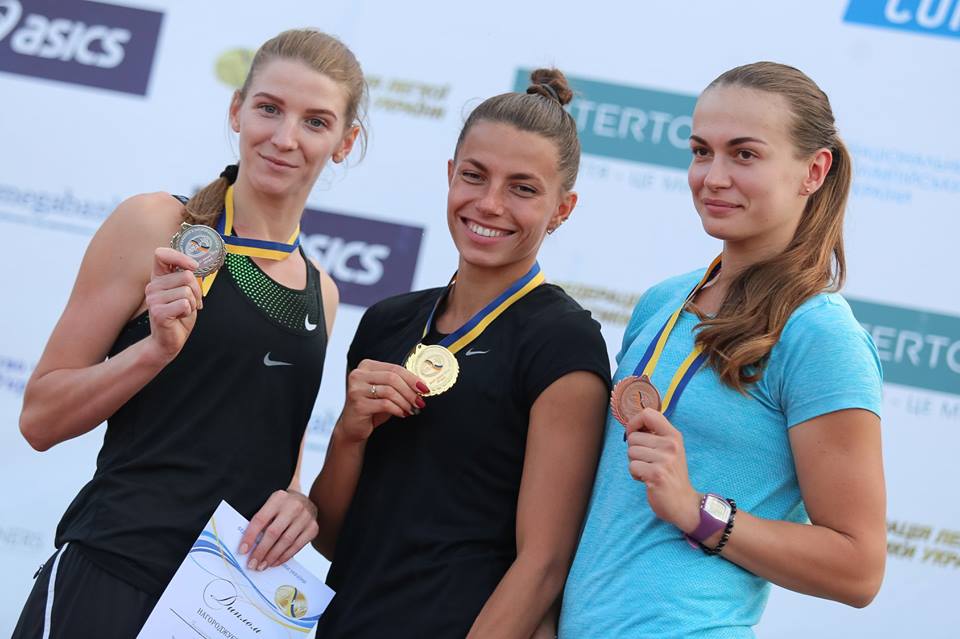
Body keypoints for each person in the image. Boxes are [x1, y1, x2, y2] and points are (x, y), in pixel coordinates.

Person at [13, 28, 366, 638]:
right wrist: (153, 352)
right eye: (269, 109)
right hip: (109, 575)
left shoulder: (322, 293)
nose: (285, 138)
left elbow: (272, 462)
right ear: (237, 110)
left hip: (220, 611)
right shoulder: (156, 224)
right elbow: (40, 419)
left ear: (344, 143)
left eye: (315, 122)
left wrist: (299, 503)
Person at [559, 62, 886, 638]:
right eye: (701, 151)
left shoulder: (821, 337)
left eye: (744, 154)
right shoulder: (664, 300)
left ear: (813, 171)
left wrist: (696, 511)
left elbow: (858, 569)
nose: (712, 177)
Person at [309, 69, 611, 638]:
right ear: (450, 175)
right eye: (474, 176)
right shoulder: (387, 321)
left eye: (523, 188)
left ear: (563, 208)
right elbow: (330, 537)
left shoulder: (563, 341)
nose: (490, 204)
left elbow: (544, 564)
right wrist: (349, 432)